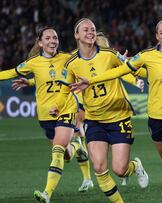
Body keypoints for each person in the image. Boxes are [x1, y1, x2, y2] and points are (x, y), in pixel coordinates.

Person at [70, 19, 162, 203]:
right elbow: (123, 70)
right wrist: (93, 81)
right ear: (157, 36)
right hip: (155, 115)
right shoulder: (146, 55)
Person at [52, 18, 148, 203]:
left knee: (120, 169)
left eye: (93, 29)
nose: (90, 32)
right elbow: (65, 88)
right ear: (77, 35)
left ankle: (135, 166)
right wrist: (57, 105)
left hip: (118, 117)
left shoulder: (110, 54)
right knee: (99, 168)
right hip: (94, 120)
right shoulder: (71, 62)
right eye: (86, 29)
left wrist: (139, 74)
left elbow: (131, 69)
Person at [0, 27, 93, 203]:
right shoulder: (33, 63)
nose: (53, 41)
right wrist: (28, 81)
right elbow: (12, 72)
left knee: (56, 153)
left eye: (55, 38)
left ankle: (46, 194)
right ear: (40, 43)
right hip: (45, 115)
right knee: (65, 154)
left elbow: (83, 68)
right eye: (48, 38)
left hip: (66, 108)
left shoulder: (67, 59)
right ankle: (77, 146)